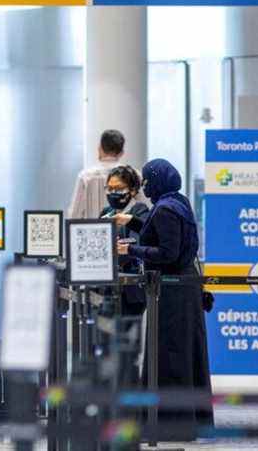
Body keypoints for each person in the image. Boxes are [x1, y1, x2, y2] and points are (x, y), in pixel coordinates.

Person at [115, 159, 213, 440]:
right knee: (185, 353)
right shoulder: (176, 201)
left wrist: (132, 251)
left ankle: (171, 423)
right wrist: (132, 222)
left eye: (147, 180)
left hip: (173, 291)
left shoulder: (166, 208)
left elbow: (167, 252)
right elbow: (157, 229)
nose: (144, 186)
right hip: (184, 287)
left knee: (170, 354)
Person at [99, 165, 149, 318]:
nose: (113, 193)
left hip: (131, 288)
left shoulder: (140, 211)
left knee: (128, 335)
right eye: (110, 188)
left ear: (132, 190)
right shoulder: (106, 213)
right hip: (107, 286)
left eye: (119, 189)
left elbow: (136, 243)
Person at [67, 129, 126, 219]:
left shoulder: (86, 176)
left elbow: (75, 214)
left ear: (100, 148)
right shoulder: (134, 176)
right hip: (123, 232)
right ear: (121, 153)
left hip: (92, 231)